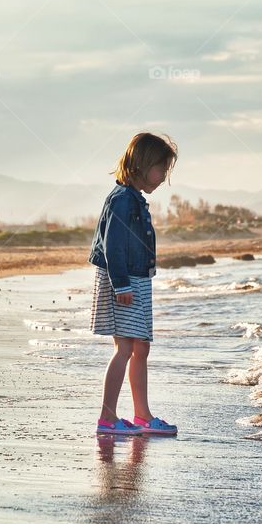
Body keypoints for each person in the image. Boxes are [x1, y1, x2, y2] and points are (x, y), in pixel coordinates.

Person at [87, 132, 179, 436]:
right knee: (125, 346)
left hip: (136, 279)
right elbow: (113, 246)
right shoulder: (123, 200)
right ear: (143, 164)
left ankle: (142, 416)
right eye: (161, 169)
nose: (163, 177)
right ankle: (108, 419)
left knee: (141, 346)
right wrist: (122, 285)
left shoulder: (134, 199)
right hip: (123, 281)